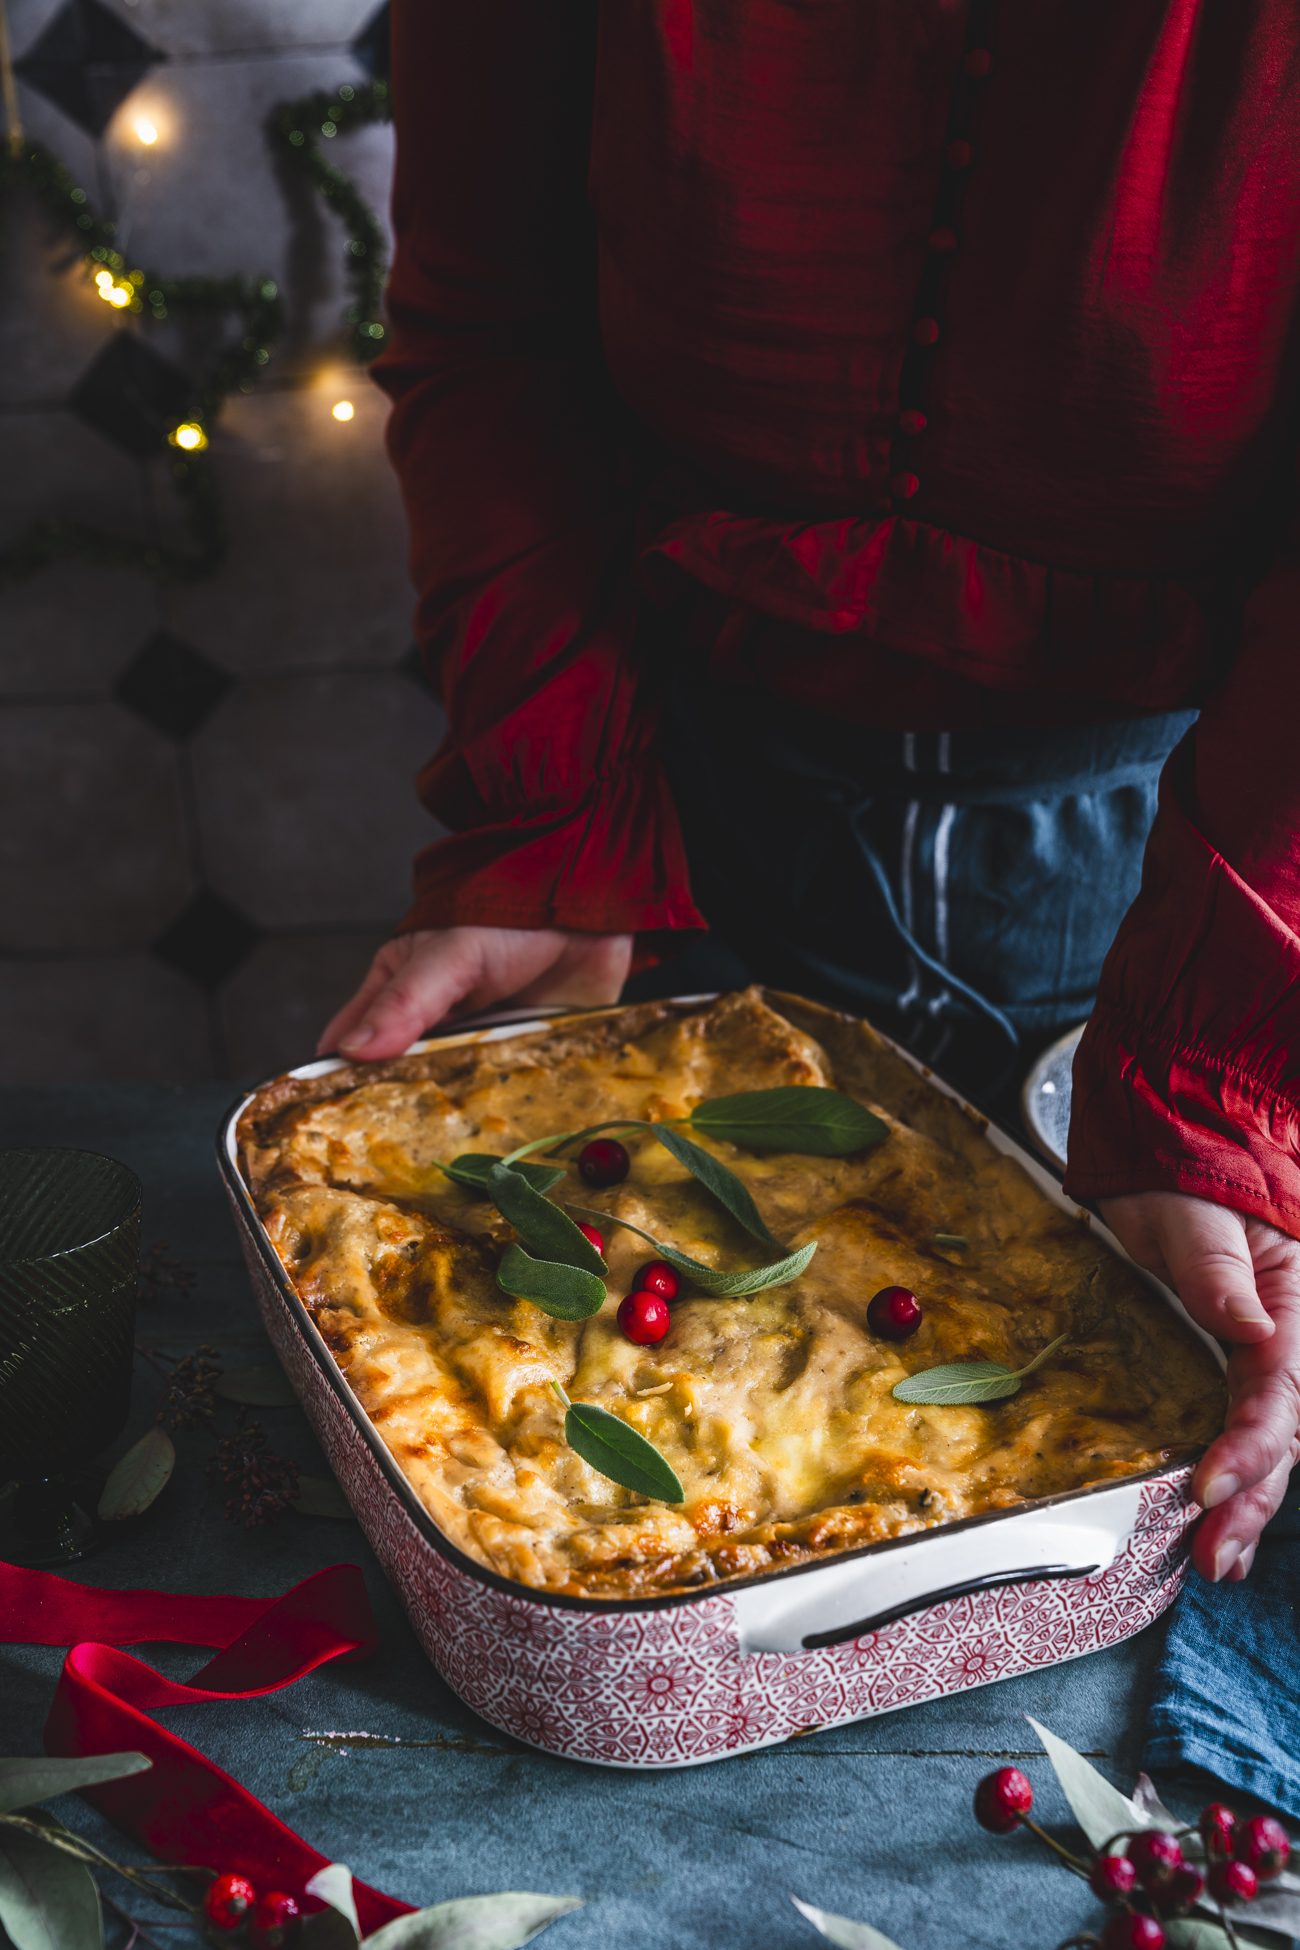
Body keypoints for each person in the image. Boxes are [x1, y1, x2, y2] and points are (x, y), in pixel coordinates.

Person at [320, 3, 1300, 1586]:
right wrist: (553, 810)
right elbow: (496, 324)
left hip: (1211, 840)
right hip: (675, 794)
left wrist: (1215, 1075)